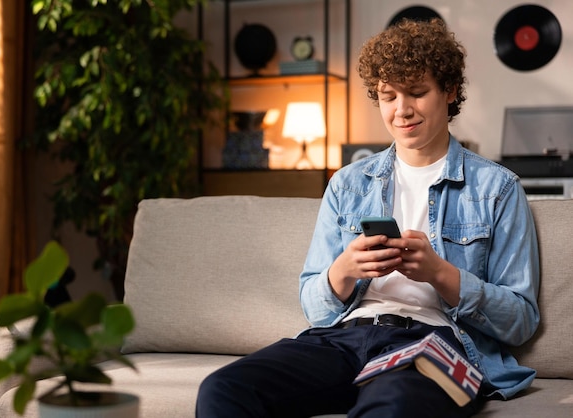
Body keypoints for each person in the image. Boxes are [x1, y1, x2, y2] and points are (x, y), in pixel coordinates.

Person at [196, 18, 539, 418]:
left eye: (416, 93)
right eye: (388, 96)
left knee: (394, 405)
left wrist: (440, 274)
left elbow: (521, 321)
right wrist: (343, 271)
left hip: (440, 346)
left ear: (449, 91)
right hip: (344, 339)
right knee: (225, 388)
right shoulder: (347, 183)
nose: (401, 110)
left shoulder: (498, 188)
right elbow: (316, 307)